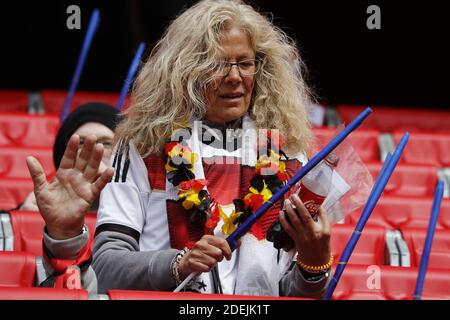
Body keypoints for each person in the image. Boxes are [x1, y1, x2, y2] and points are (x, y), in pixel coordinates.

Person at [45, 0, 332, 297]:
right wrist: (178, 265)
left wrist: (314, 266)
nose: (234, 77)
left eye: (245, 63)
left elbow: (287, 292)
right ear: (185, 71)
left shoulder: (290, 156)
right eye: (218, 63)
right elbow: (104, 269)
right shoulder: (144, 146)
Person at [24, 102, 119, 289]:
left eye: (106, 144)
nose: (94, 150)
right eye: (81, 143)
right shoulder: (35, 206)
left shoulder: (144, 212)